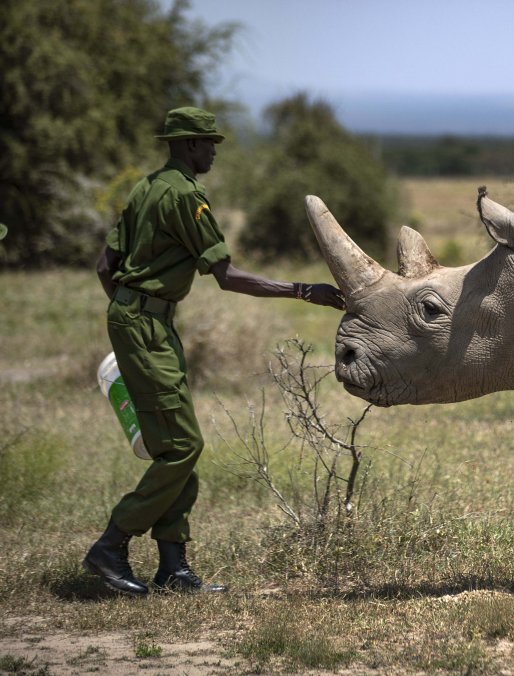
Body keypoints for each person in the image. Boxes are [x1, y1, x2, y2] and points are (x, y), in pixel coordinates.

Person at [85, 106, 345, 596]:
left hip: (140, 320)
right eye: (208, 144)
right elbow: (226, 277)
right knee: (183, 447)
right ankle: (111, 545)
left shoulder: (145, 187)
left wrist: (129, 312)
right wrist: (304, 291)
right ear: (186, 145)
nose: (213, 152)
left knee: (174, 446)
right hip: (148, 325)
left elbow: (105, 265)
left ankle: (173, 569)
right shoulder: (187, 196)